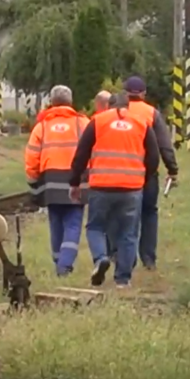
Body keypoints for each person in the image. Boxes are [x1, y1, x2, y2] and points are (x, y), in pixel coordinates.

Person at [68, 92, 160, 288]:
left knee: (95, 227)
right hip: (132, 188)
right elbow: (154, 157)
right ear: (129, 106)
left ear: (109, 105)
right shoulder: (142, 123)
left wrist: (74, 182)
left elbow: (81, 154)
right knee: (128, 232)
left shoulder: (98, 121)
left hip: (102, 186)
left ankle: (101, 257)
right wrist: (143, 176)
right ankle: (123, 279)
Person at [24, 85, 89, 276]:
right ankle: (65, 264)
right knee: (73, 222)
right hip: (76, 179)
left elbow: (32, 156)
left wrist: (33, 177)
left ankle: (57, 261)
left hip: (50, 180)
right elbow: (93, 149)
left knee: (55, 221)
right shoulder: (82, 123)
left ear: (51, 102)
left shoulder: (42, 127)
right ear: (71, 102)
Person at [122, 76, 179, 271]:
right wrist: (172, 169)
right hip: (146, 173)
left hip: (120, 173)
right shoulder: (151, 113)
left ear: (125, 93)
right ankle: (148, 259)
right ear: (144, 94)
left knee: (124, 216)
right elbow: (164, 145)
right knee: (148, 213)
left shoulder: (116, 112)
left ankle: (124, 259)